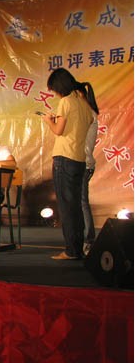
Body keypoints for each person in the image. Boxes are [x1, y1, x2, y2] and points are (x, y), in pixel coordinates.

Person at [41, 68, 95, 260]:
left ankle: (71, 250)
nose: (54, 93)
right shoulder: (84, 103)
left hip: (64, 157)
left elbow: (58, 130)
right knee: (76, 206)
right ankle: (77, 248)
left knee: (66, 206)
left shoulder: (66, 102)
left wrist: (48, 121)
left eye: (54, 89)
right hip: (79, 159)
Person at [82, 86, 100, 255]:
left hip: (83, 163)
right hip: (83, 162)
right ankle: (85, 239)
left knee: (82, 202)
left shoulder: (86, 113)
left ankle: (88, 240)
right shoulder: (88, 113)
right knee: (80, 202)